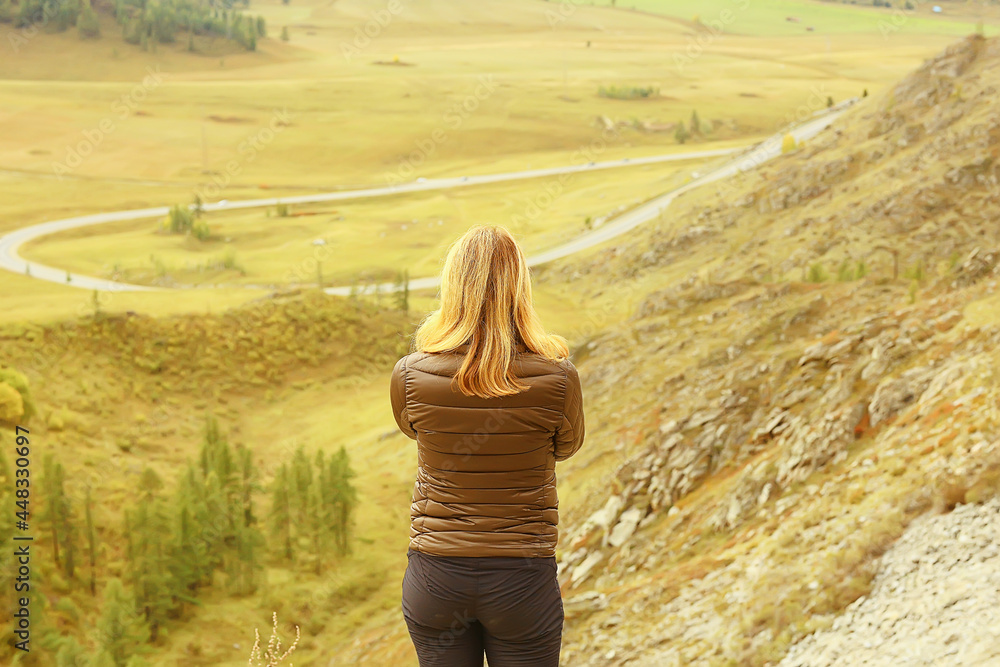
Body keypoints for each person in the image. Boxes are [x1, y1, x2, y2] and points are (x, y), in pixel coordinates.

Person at [390, 224, 586, 667]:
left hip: (434, 575)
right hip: (520, 579)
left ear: (452, 288)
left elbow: (414, 430)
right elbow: (566, 446)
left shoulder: (409, 374)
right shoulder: (557, 378)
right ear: (520, 289)